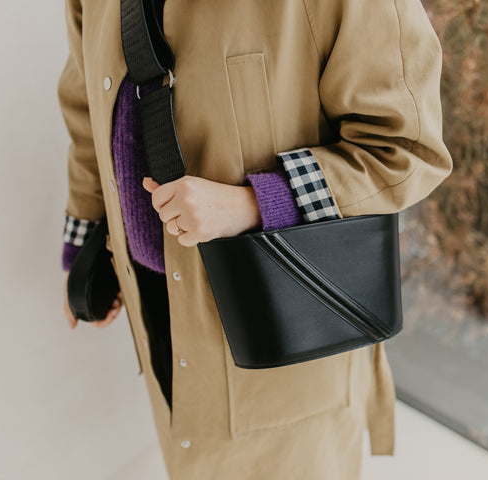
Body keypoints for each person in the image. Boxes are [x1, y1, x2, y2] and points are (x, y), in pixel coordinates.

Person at [58, 0, 452, 478]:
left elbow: (406, 149)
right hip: (153, 303)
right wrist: (83, 246)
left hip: (283, 324)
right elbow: (87, 102)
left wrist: (256, 203)